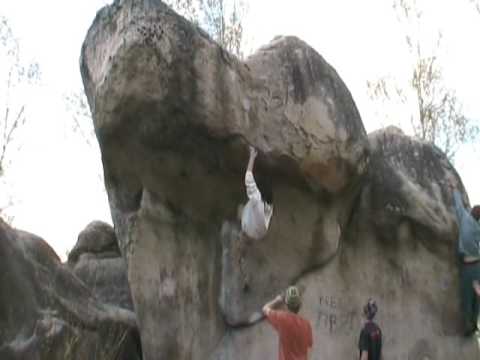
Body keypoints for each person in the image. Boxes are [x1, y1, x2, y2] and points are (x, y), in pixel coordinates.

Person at [450, 184, 480, 336]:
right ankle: (475, 322)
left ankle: (468, 326)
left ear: (471, 213)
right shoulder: (478, 227)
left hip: (468, 268)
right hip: (477, 269)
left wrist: (454, 188)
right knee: (477, 294)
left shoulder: (465, 220)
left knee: (467, 296)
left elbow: (459, 205)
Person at [262, 286, 313, 360]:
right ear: (299, 305)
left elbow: (265, 309)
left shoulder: (281, 318)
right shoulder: (307, 324)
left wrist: (278, 300)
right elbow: (309, 349)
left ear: (286, 304)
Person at [240, 145, 274, 240]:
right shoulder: (257, 200)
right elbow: (249, 177)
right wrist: (252, 156)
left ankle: (267, 169)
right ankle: (268, 166)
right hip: (262, 205)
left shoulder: (254, 230)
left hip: (264, 207)